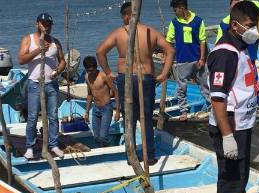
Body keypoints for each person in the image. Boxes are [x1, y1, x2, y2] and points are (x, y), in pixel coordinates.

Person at [96, 2, 174, 165]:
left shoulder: (119, 33)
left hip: (126, 78)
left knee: (129, 119)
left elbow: (100, 51)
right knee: (146, 118)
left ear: (126, 16)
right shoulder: (150, 31)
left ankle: (130, 156)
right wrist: (164, 74)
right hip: (145, 77)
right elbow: (170, 50)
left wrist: (108, 72)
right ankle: (149, 155)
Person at [207, 1, 259, 193]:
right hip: (229, 123)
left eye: (255, 25)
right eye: (249, 25)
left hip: (243, 123)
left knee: (241, 171)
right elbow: (217, 98)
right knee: (230, 175)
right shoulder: (225, 53)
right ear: (235, 25)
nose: (253, 30)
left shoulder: (242, 47)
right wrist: (227, 135)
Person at [18, 13, 66, 160]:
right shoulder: (28, 39)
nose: (46, 27)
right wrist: (39, 50)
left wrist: (58, 71)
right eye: (43, 24)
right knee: (32, 117)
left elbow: (62, 61)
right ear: (37, 24)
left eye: (49, 24)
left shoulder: (55, 42)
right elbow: (21, 60)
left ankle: (54, 145)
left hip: (51, 84)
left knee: (53, 116)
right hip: (34, 84)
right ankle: (30, 147)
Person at [165, 0, 207, 121]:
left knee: (205, 85)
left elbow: (202, 40)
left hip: (197, 60)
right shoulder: (174, 23)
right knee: (181, 88)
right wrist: (167, 56)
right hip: (181, 60)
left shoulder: (198, 21)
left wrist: (202, 58)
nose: (174, 12)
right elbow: (169, 41)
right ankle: (183, 110)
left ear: (182, 8)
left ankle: (212, 106)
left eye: (175, 10)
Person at [82, 56, 119, 147]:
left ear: (96, 67)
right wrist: (86, 112)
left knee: (103, 136)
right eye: (88, 71)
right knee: (96, 137)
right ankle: (102, 149)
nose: (90, 73)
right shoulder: (87, 77)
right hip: (95, 108)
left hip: (106, 108)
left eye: (92, 70)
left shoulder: (103, 76)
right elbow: (90, 94)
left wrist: (118, 111)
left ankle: (108, 149)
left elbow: (116, 92)